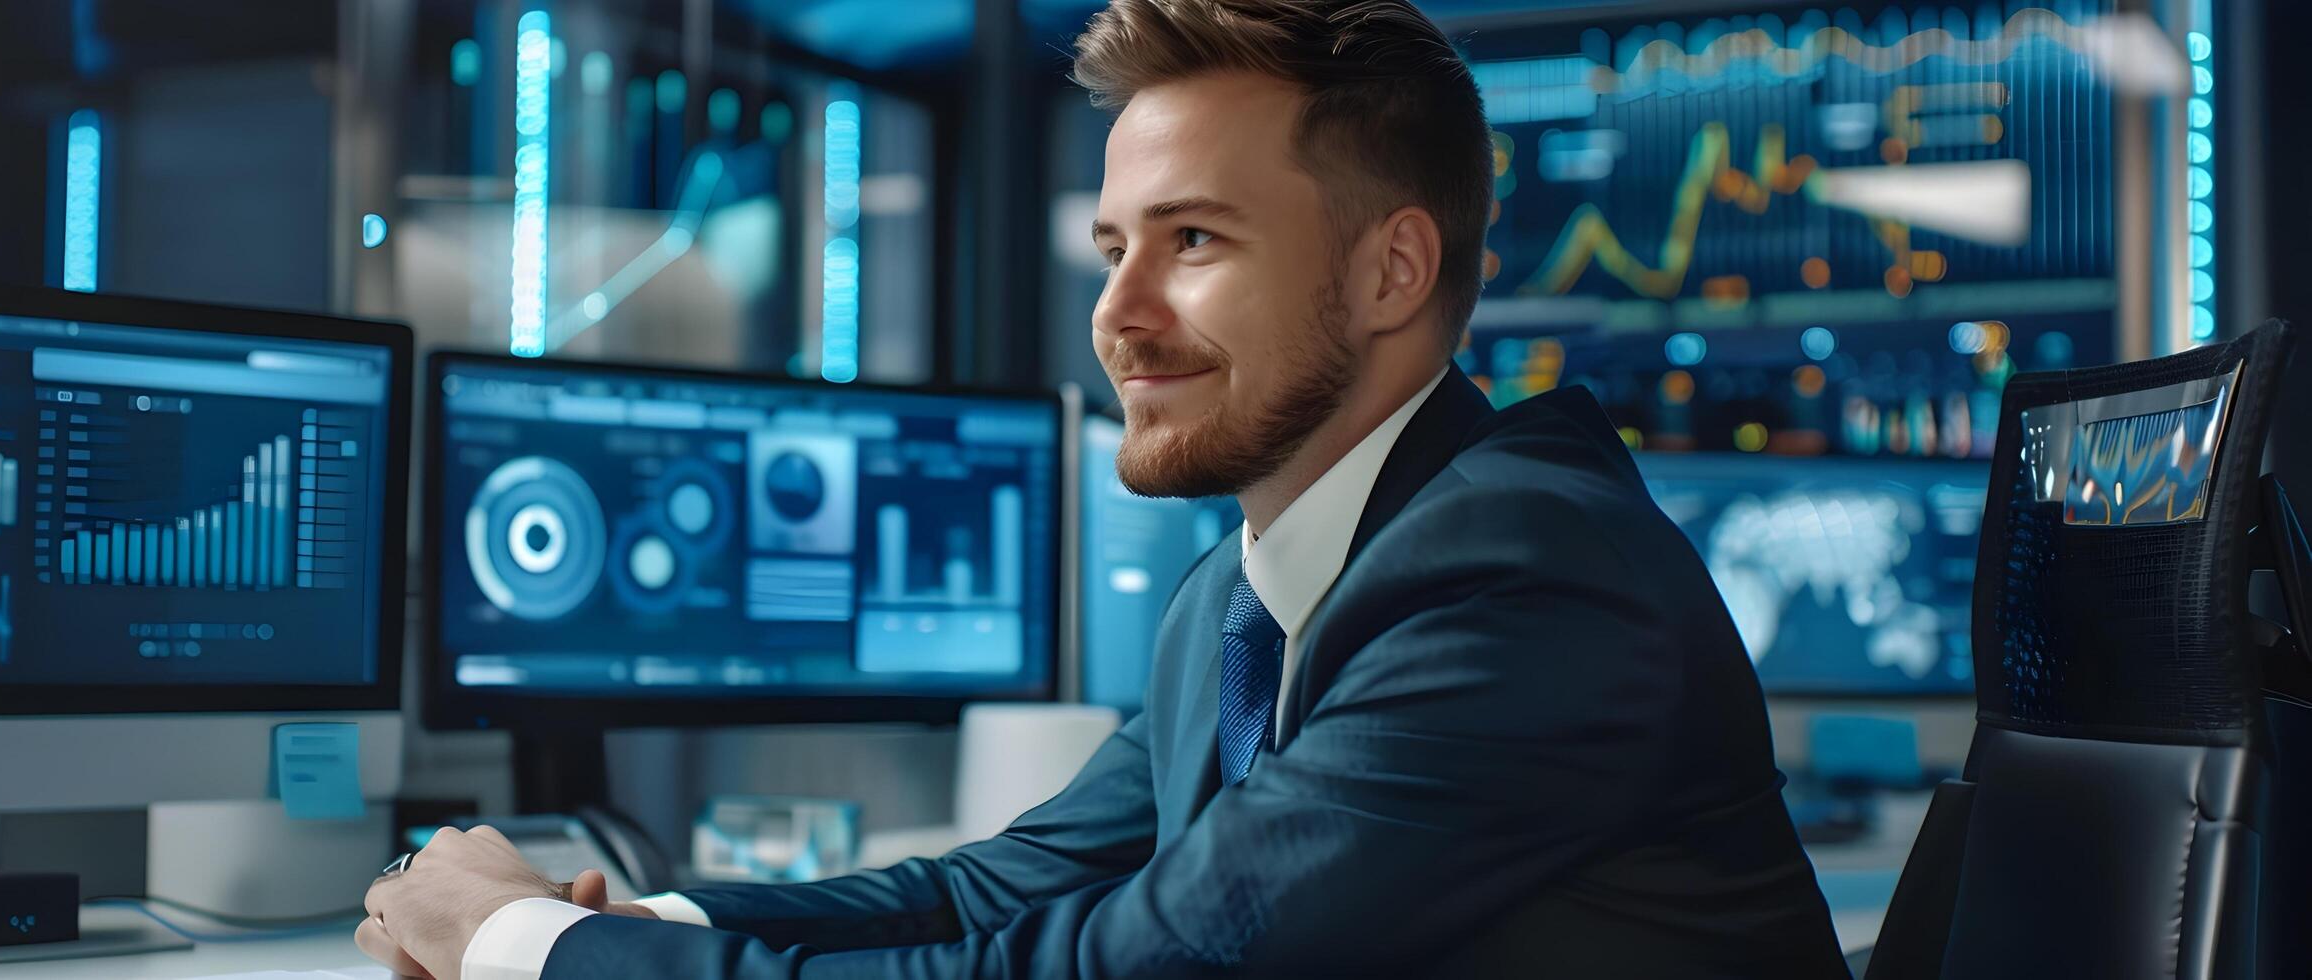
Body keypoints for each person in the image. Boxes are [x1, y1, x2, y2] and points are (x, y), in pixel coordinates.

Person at [360, 1, 1848, 976]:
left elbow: (1134, 968)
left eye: (1192, 242)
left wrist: (516, 950)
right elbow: (990, 894)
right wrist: (637, 919)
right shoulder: (1244, 591)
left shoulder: (1522, 575)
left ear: (1392, 268)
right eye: (1110, 248)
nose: (1118, 316)